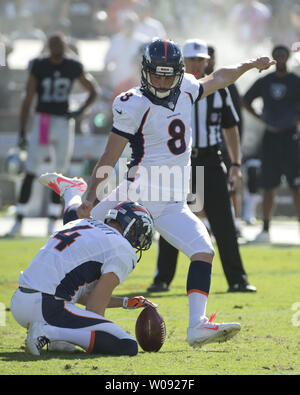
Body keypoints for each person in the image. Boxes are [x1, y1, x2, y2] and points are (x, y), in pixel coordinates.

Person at [47, 39, 274, 348]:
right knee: (78, 232)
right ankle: (72, 198)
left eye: (169, 76)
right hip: (133, 198)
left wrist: (248, 65)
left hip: (171, 203)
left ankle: (197, 326)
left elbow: (220, 77)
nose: (164, 82)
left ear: (179, 74)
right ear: (145, 72)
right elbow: (110, 155)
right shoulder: (134, 102)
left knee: (203, 250)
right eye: (158, 75)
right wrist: (90, 198)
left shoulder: (188, 89)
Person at [147, 39, 256, 294]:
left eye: (200, 60)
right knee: (171, 218)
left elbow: (231, 127)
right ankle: (162, 278)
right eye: (191, 59)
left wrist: (236, 163)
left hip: (209, 158)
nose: (196, 64)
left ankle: (237, 279)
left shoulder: (219, 90)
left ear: (208, 61)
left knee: (224, 223)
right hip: (179, 162)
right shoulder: (171, 87)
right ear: (182, 61)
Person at [10, 176, 156, 357]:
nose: (137, 243)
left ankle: (57, 337)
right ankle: (49, 333)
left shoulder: (82, 223)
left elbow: (79, 294)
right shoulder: (123, 249)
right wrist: (106, 334)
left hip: (21, 301)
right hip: (47, 307)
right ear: (132, 228)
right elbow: (95, 309)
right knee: (127, 345)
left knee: (77, 319)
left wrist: (124, 302)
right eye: (140, 236)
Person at [7, 32, 97, 236]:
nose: (56, 48)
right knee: (31, 167)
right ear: (48, 46)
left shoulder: (73, 65)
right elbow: (28, 97)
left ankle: (52, 219)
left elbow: (93, 90)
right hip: (44, 120)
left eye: (59, 44)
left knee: (60, 173)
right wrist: (22, 129)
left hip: (63, 121)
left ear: (65, 46)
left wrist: (78, 112)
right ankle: (19, 219)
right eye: (53, 44)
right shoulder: (39, 65)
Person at [243, 44, 300, 242]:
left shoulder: (296, 81)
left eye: (284, 55)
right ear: (274, 58)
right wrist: (260, 117)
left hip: (291, 138)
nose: (281, 59)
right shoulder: (265, 81)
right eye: (278, 56)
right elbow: (245, 99)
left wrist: (296, 121)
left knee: (296, 186)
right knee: (269, 186)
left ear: (288, 57)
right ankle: (266, 229)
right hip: (271, 137)